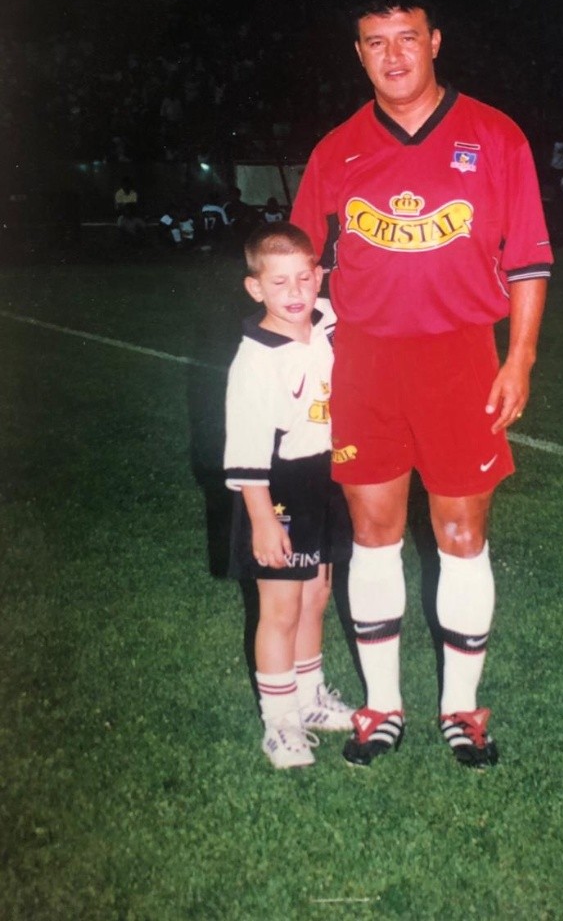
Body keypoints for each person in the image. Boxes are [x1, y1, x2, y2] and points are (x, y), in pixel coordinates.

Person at [290, 0, 552, 769]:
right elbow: (300, 268)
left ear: (435, 41)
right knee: (372, 534)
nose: (394, 55)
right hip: (364, 361)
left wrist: (521, 357)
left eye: (408, 38)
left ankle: (462, 708)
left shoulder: (496, 136)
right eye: (376, 43)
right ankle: (381, 706)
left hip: (461, 357)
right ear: (360, 53)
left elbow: (530, 257)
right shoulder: (335, 150)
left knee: (461, 535)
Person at [223, 222, 355, 769]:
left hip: (325, 477)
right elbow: (248, 451)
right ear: (256, 288)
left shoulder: (325, 322)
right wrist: (261, 519)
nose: (296, 293)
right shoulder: (256, 361)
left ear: (319, 277)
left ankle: (309, 698)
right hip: (276, 487)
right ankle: (279, 724)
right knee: (280, 606)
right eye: (280, 283)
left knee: (316, 594)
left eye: (305, 278)